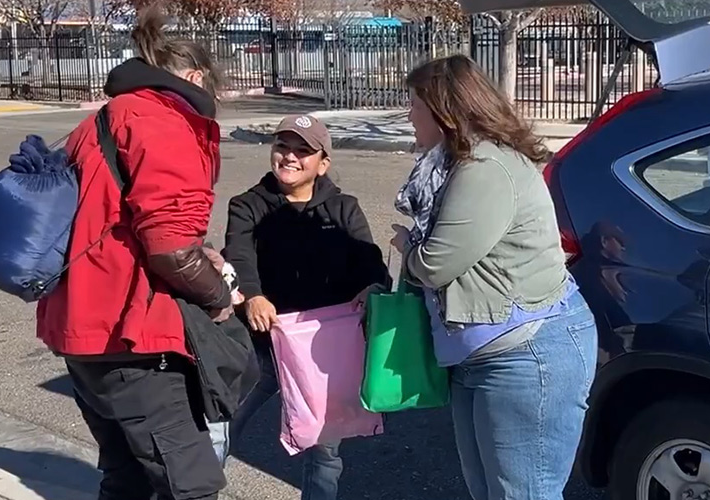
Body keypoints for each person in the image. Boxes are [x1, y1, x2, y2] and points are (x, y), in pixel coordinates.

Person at [35, 6, 240, 500]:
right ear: (194, 78)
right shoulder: (163, 122)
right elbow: (169, 247)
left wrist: (198, 249)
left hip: (83, 324)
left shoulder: (107, 117)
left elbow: (122, 217)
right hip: (133, 334)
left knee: (127, 478)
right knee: (190, 485)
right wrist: (218, 297)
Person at [392, 55, 599, 500]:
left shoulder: (485, 168)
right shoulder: (455, 164)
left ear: (444, 110)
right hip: (482, 354)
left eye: (414, 104)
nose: (408, 115)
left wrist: (407, 247)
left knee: (523, 494)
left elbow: (435, 264)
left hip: (527, 355)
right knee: (489, 491)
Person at [223, 114, 390, 500]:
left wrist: (373, 286)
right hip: (262, 346)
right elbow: (240, 255)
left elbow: (369, 261)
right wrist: (253, 294)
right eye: (283, 147)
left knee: (324, 453)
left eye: (303, 151)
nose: (290, 157)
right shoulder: (247, 205)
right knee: (220, 428)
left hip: (322, 354)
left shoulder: (343, 208)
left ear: (323, 163)